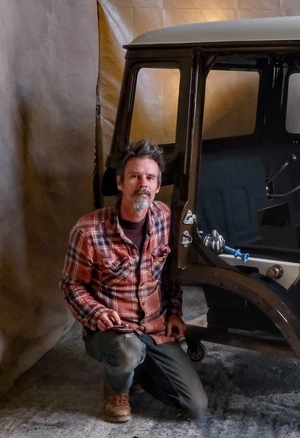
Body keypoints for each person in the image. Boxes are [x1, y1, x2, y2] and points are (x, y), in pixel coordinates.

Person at [60, 139, 207, 421]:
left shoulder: (165, 218)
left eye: (150, 177)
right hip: (113, 331)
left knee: (195, 407)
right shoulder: (88, 229)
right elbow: (71, 285)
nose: (143, 183)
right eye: (134, 176)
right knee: (126, 349)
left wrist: (175, 312)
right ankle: (117, 387)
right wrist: (98, 313)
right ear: (120, 182)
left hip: (154, 326)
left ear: (157, 183)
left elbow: (169, 273)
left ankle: (134, 368)